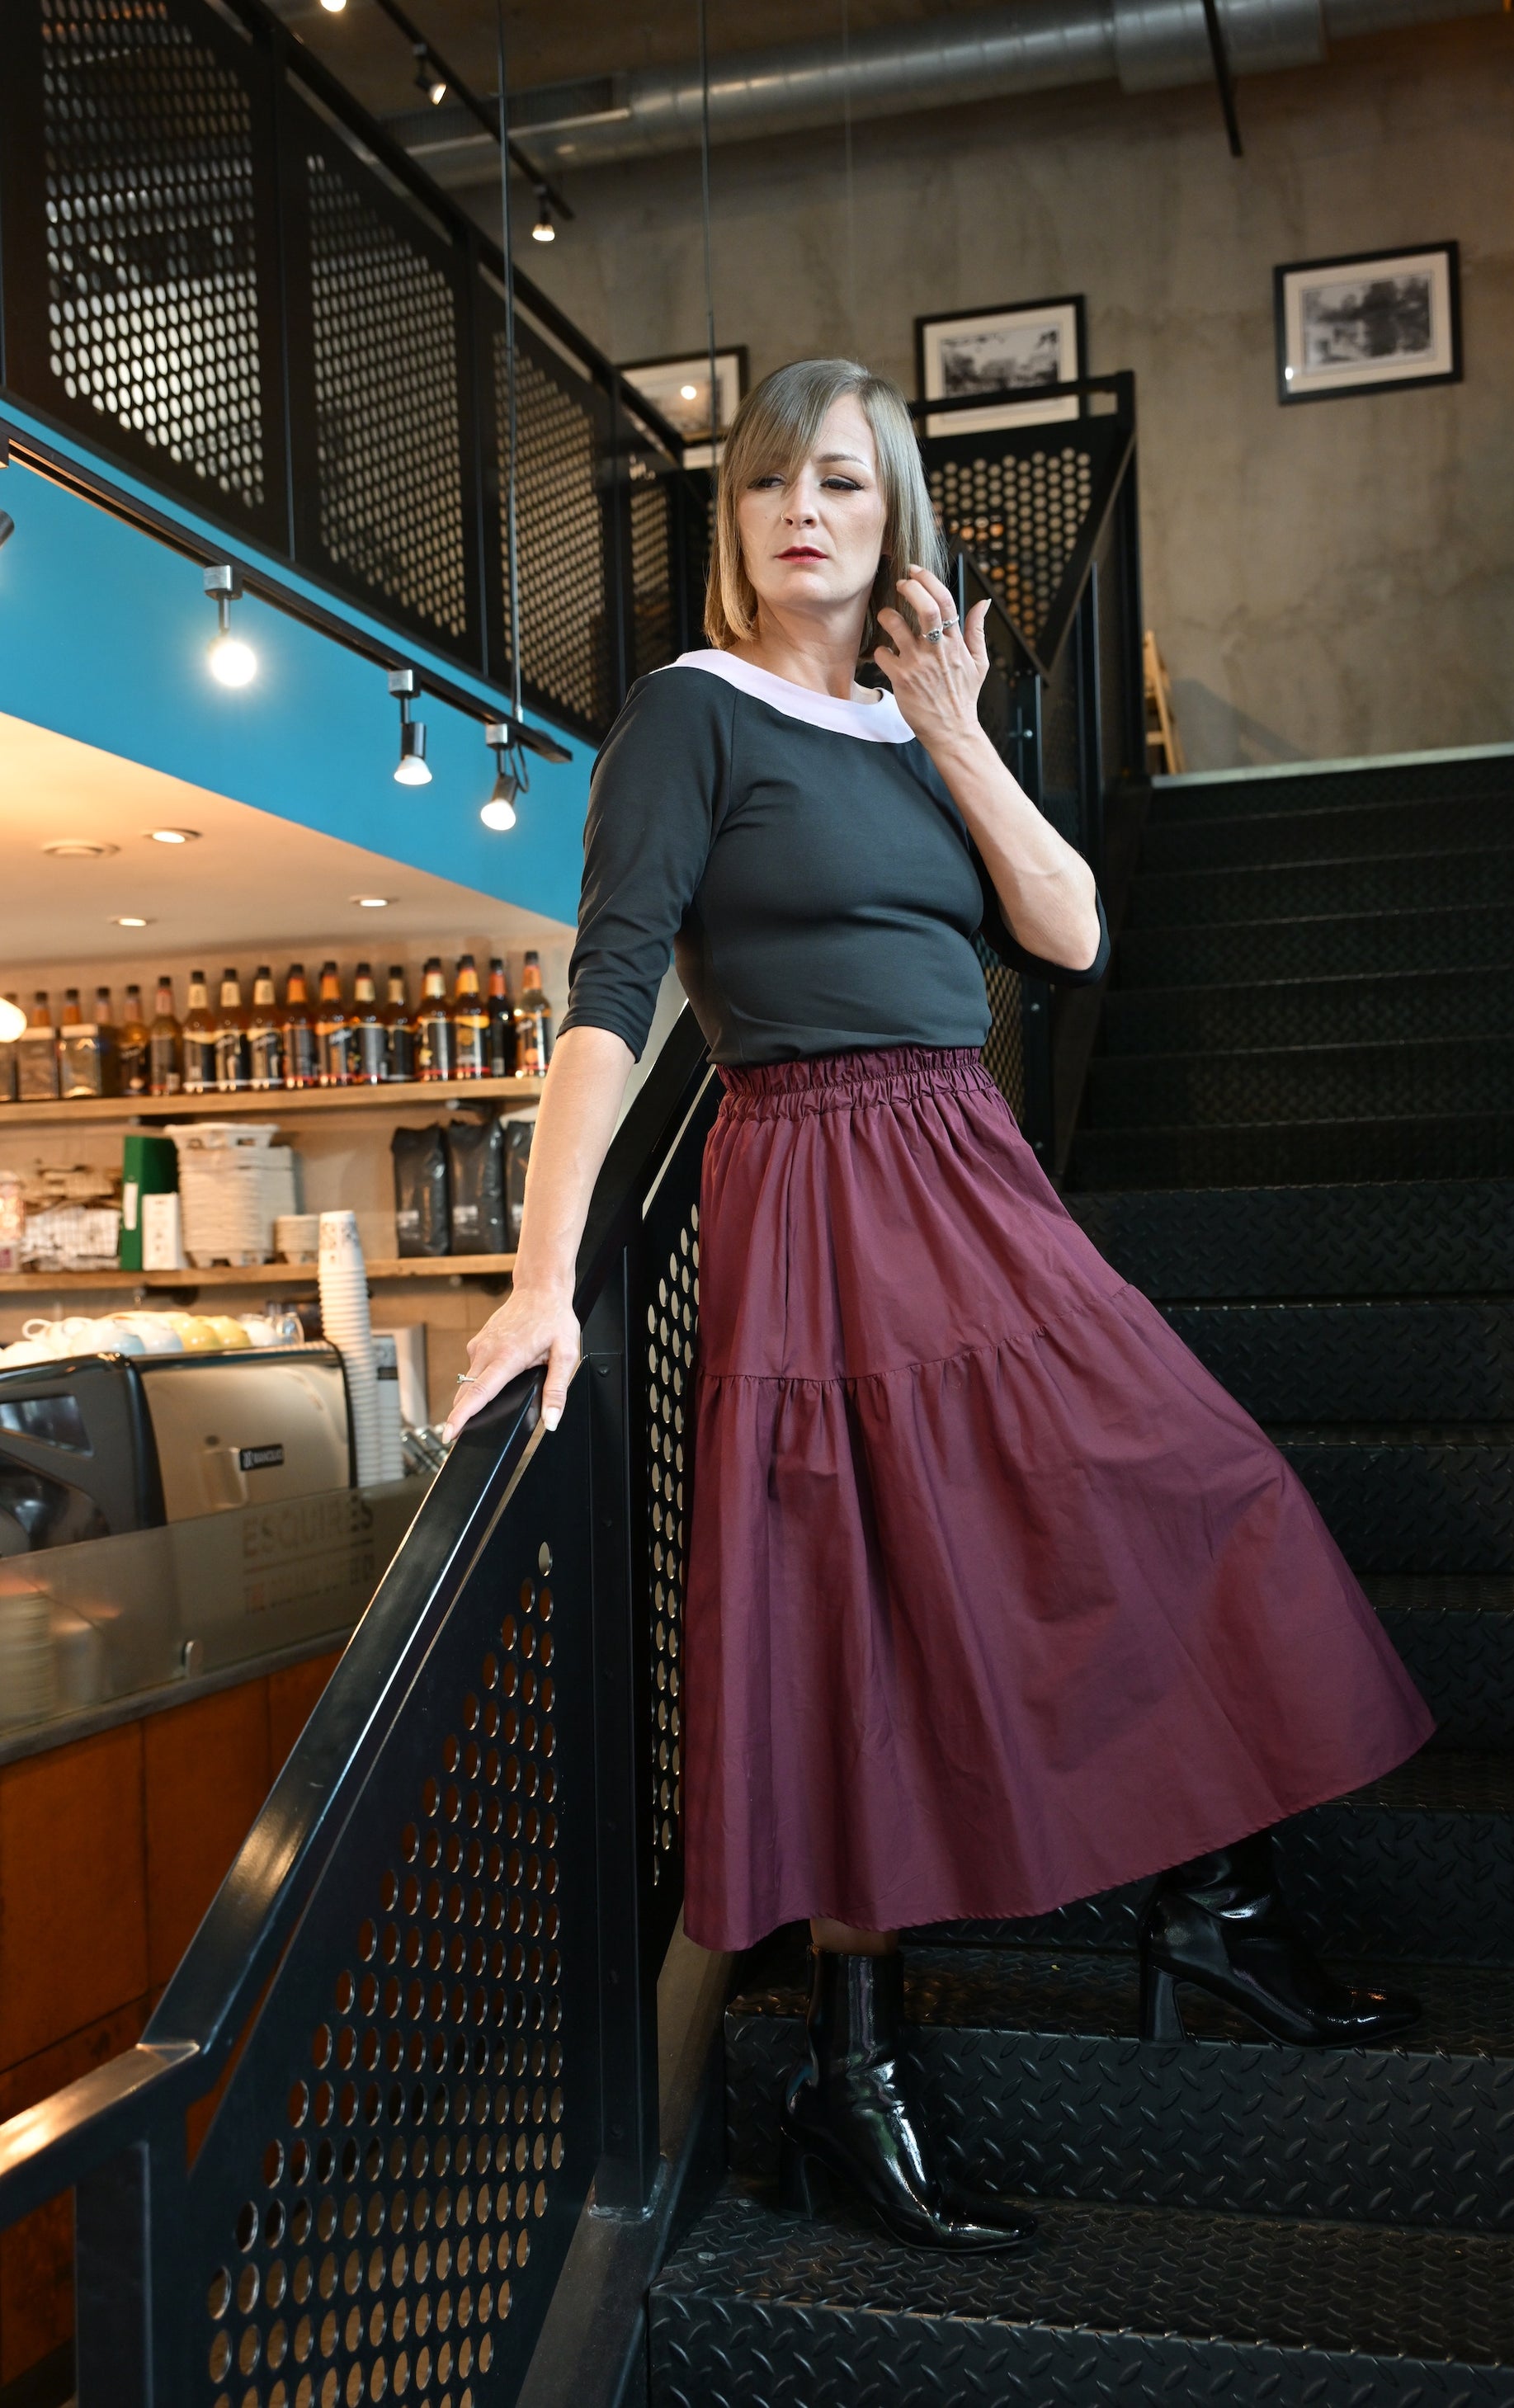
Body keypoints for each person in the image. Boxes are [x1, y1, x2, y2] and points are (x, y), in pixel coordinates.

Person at [442, 357, 1435, 2255]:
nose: (798, 511)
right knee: (856, 1613)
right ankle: (854, 2070)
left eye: (838, 481)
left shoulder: (914, 728)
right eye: (762, 486)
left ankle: (1206, 1898)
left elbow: (1067, 931)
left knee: (1186, 1472)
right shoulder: (686, 715)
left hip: (970, 1162)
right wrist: (541, 1272)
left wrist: (956, 725)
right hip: (812, 1179)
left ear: (893, 513)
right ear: (730, 525)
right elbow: (608, 992)